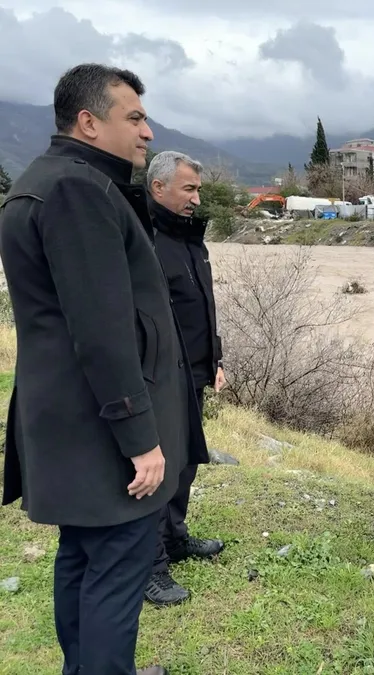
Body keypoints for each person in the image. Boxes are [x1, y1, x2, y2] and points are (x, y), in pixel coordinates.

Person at [0, 63, 206, 675]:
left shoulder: (50, 180)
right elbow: (102, 332)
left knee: (84, 556)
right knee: (117, 567)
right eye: (135, 117)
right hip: (100, 428)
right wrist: (141, 439)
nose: (148, 132)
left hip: (73, 417)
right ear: (89, 122)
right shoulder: (78, 191)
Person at [144, 150, 225, 606]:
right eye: (188, 189)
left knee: (186, 461)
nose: (196, 198)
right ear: (158, 187)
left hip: (193, 370)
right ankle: (150, 565)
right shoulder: (146, 238)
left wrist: (216, 359)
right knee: (158, 467)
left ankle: (174, 538)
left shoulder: (190, 237)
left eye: (198, 189)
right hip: (160, 376)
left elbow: (201, 307)